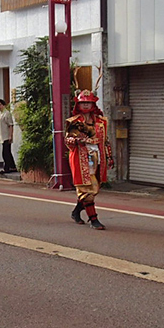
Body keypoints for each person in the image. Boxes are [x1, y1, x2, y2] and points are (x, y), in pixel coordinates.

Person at [65, 90, 114, 230]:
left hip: (97, 158)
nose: (85, 105)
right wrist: (74, 140)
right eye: (83, 103)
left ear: (93, 104)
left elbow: (105, 141)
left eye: (88, 103)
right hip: (81, 158)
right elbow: (68, 141)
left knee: (94, 188)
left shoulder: (101, 121)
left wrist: (109, 156)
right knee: (88, 189)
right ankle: (94, 219)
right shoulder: (73, 122)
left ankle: (76, 212)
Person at [0, 99, 17, 174]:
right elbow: (0, 124)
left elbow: (10, 125)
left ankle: (6, 168)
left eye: (0, 105)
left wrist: (10, 135)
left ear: (4, 105)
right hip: (2, 136)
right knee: (8, 152)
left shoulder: (7, 113)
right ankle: (12, 167)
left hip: (7, 136)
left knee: (5, 153)